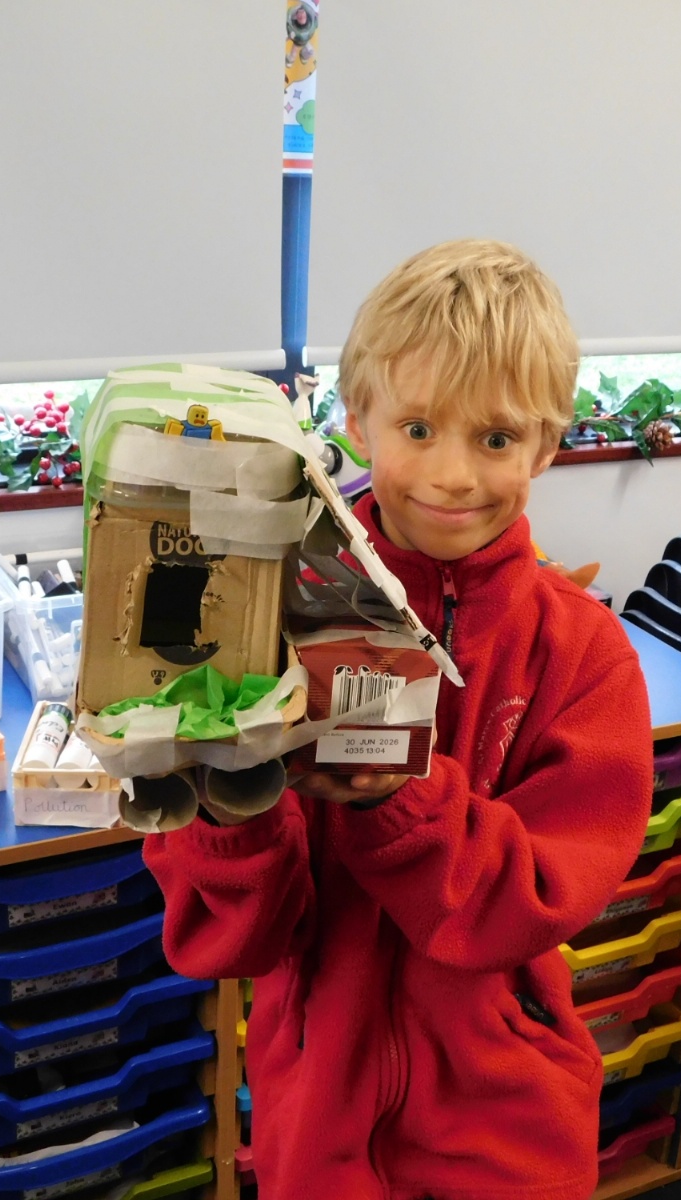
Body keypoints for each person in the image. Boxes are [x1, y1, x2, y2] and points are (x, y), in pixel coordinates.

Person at [143, 239, 654, 1200]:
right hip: (317, 1112)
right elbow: (232, 943)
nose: (453, 474)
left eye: (495, 439)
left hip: (506, 1117)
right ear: (357, 419)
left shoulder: (585, 655)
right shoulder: (266, 620)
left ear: (547, 446)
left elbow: (541, 897)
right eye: (418, 428)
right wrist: (228, 799)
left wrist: (400, 796)